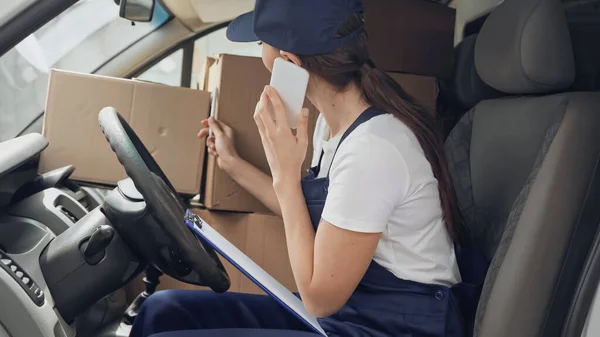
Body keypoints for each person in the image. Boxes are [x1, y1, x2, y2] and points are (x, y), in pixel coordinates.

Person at [130, 0, 486, 336]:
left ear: (289, 62)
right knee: (163, 310)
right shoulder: (331, 125)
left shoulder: (373, 149)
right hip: (352, 315)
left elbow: (319, 297)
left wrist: (286, 172)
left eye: (260, 43)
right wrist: (233, 164)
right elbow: (305, 211)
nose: (258, 52)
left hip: (391, 327)